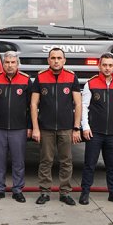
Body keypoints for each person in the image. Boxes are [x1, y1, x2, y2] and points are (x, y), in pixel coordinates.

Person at [31, 48, 81, 205]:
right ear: (48, 60)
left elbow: (78, 103)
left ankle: (65, 192)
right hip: (45, 127)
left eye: (59, 58)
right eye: (53, 58)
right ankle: (44, 192)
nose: (56, 61)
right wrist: (36, 128)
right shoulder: (40, 77)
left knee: (66, 161)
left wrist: (76, 127)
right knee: (46, 160)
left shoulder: (72, 77)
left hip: (66, 128)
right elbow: (33, 104)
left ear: (64, 60)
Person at [81, 54, 113, 206]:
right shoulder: (91, 84)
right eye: (104, 65)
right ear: (99, 66)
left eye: (110, 65)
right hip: (95, 133)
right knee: (89, 164)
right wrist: (85, 127)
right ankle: (85, 193)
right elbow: (84, 107)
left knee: (112, 166)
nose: (107, 68)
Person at [0, 51, 32, 202]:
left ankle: (18, 190)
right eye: (7, 62)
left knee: (18, 162)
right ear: (3, 64)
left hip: (19, 129)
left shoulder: (26, 80)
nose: (10, 65)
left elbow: (32, 106)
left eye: (13, 62)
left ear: (17, 64)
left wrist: (30, 126)